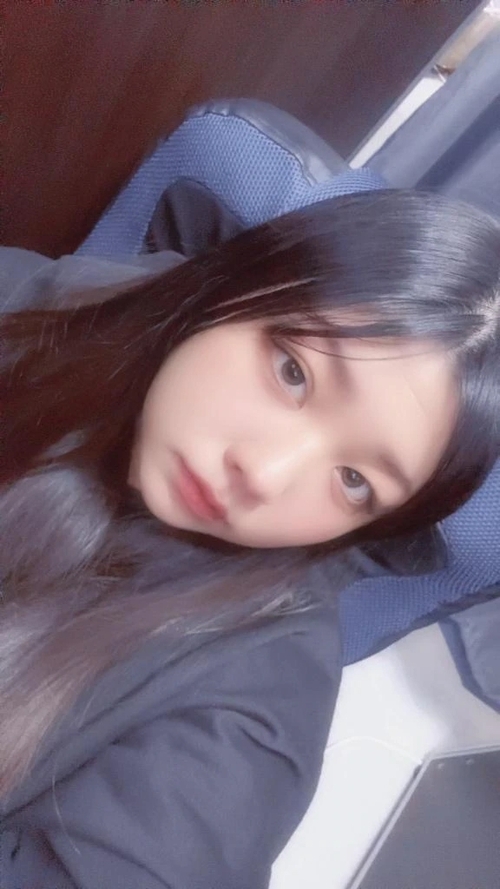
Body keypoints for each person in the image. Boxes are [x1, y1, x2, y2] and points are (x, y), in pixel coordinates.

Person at [1, 189, 500, 889]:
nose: (263, 474)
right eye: (293, 372)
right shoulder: (62, 303)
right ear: (244, 283)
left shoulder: (251, 717)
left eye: (355, 481)